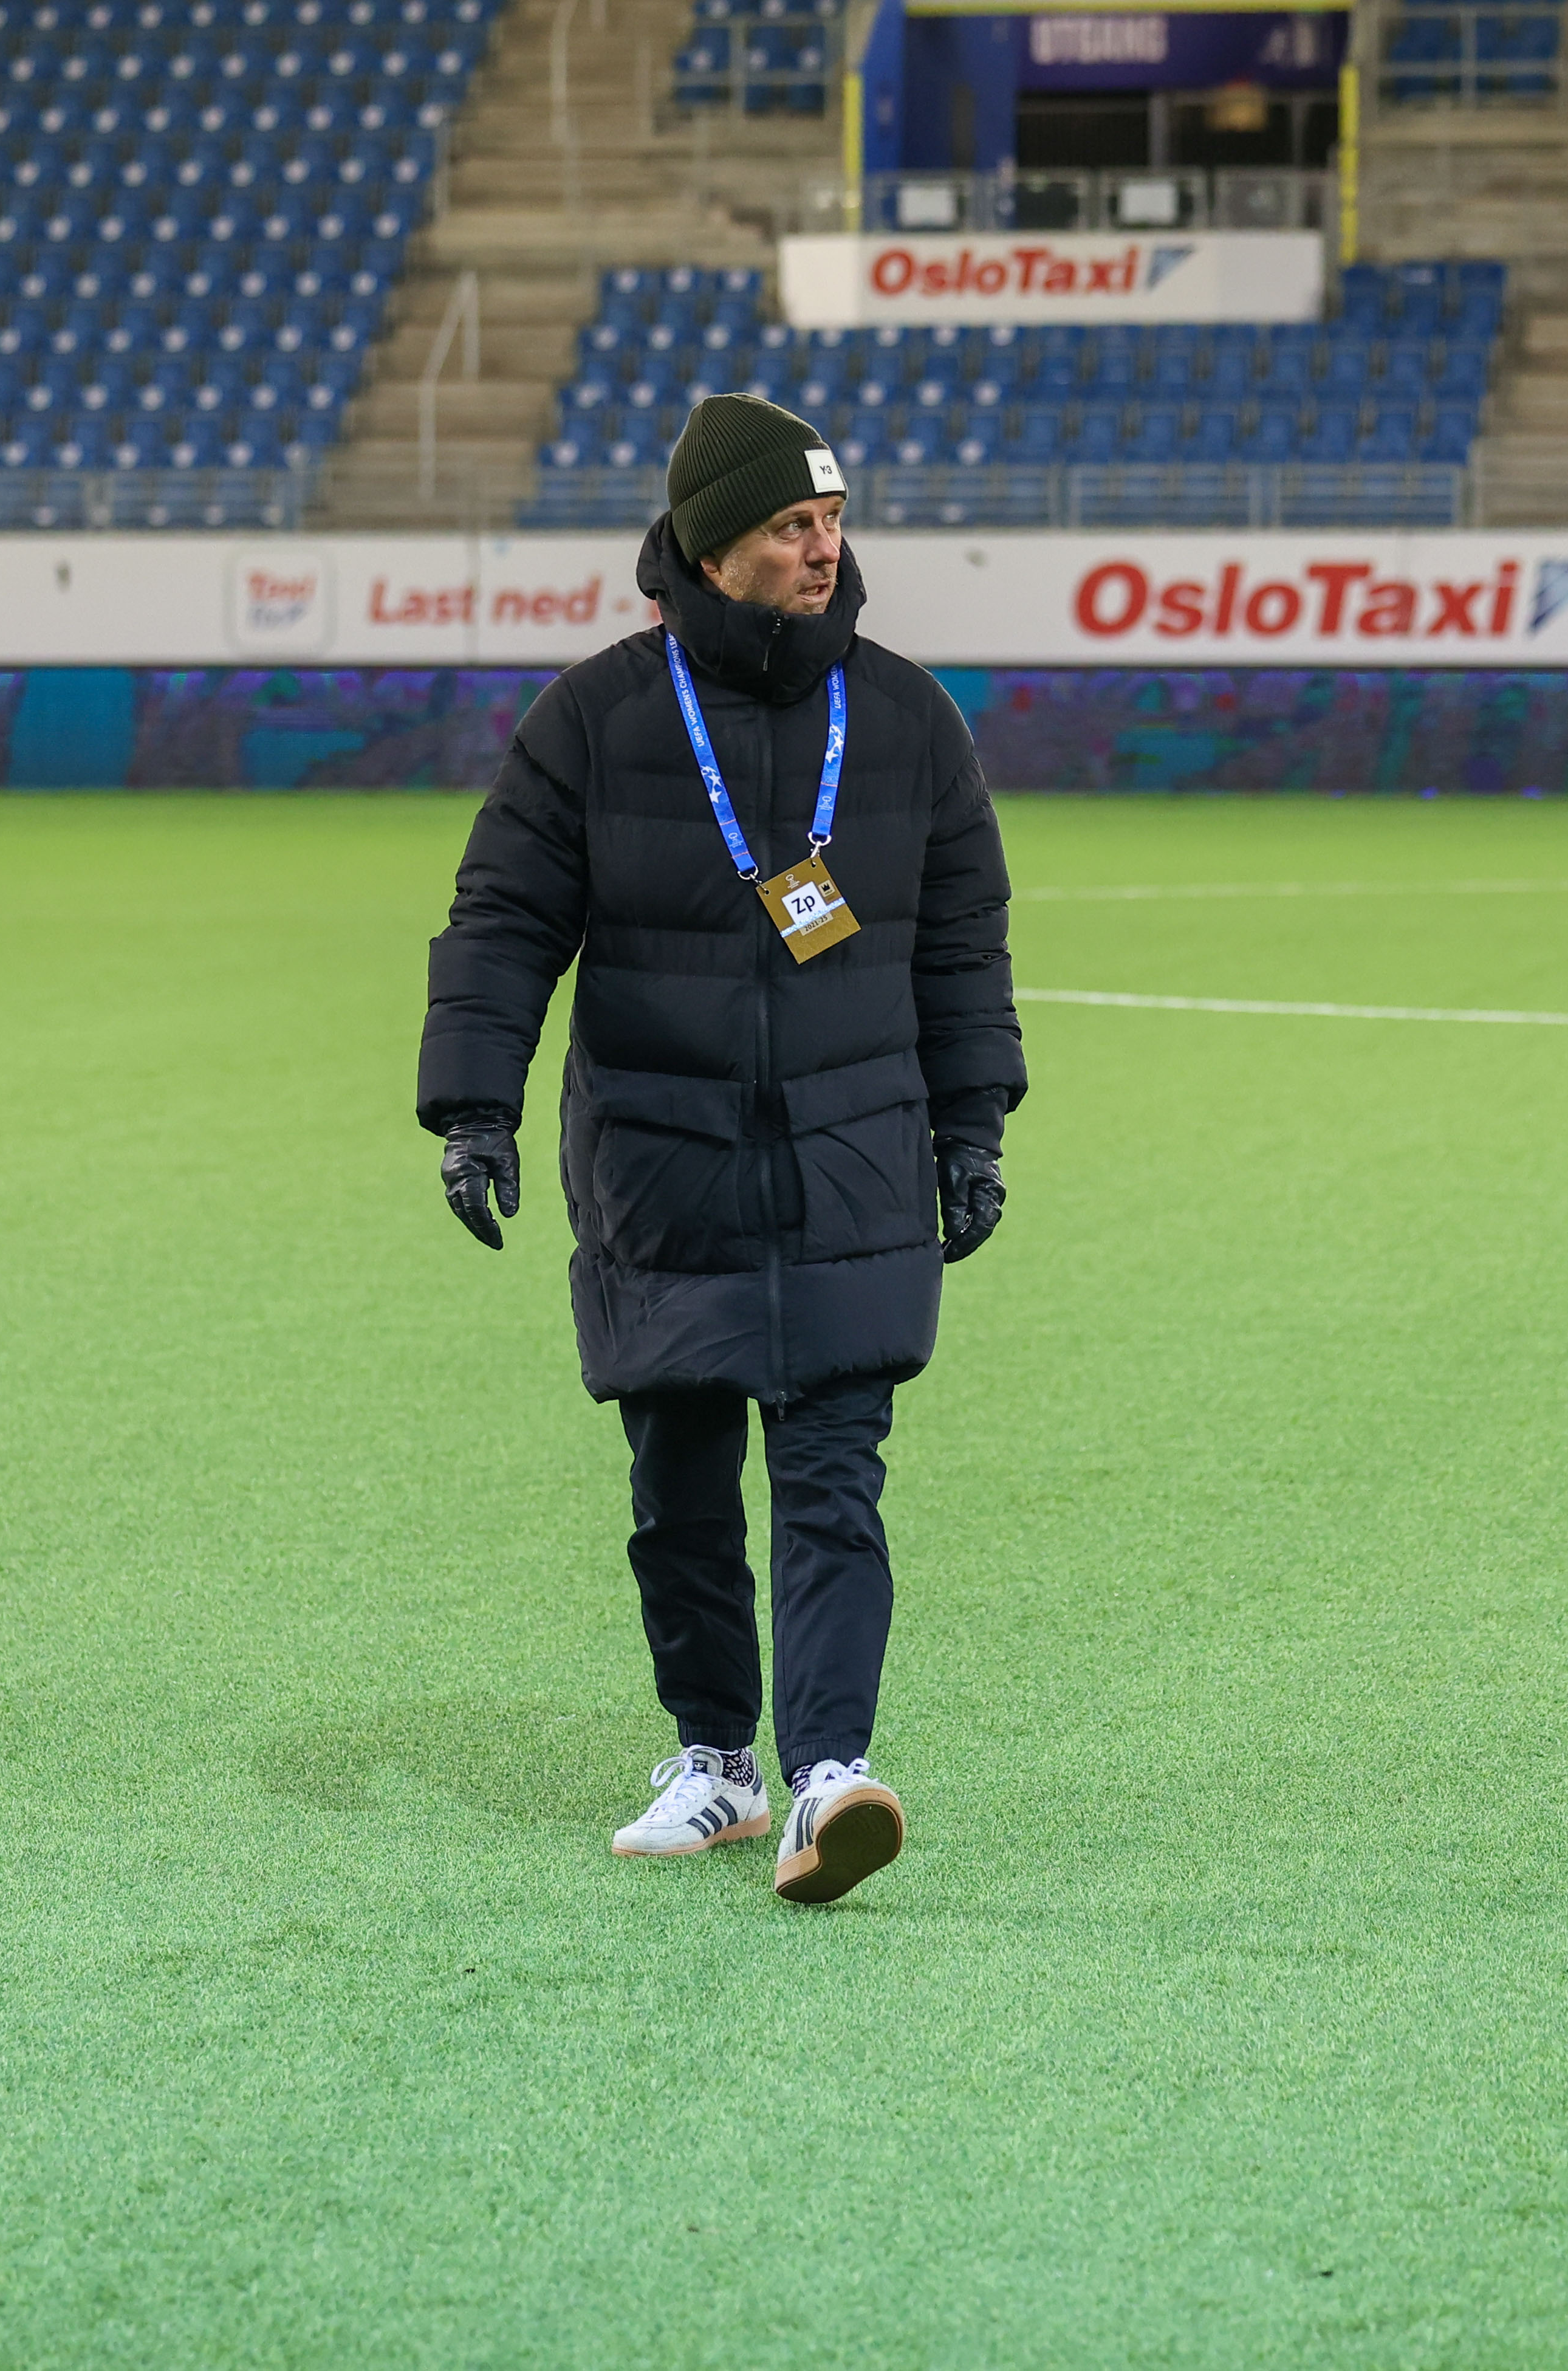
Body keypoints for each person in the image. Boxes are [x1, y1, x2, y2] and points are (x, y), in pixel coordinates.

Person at [416, 393, 1023, 1907]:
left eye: (830, 523)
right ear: (710, 544)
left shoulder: (904, 720)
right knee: (677, 1487)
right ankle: (717, 1764)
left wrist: (973, 1126)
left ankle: (830, 1775)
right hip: (659, 1165)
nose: (822, 551)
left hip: (852, 1162)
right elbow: (501, 921)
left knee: (832, 1478)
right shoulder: (596, 720)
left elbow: (960, 947)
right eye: (787, 528)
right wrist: (473, 1103)